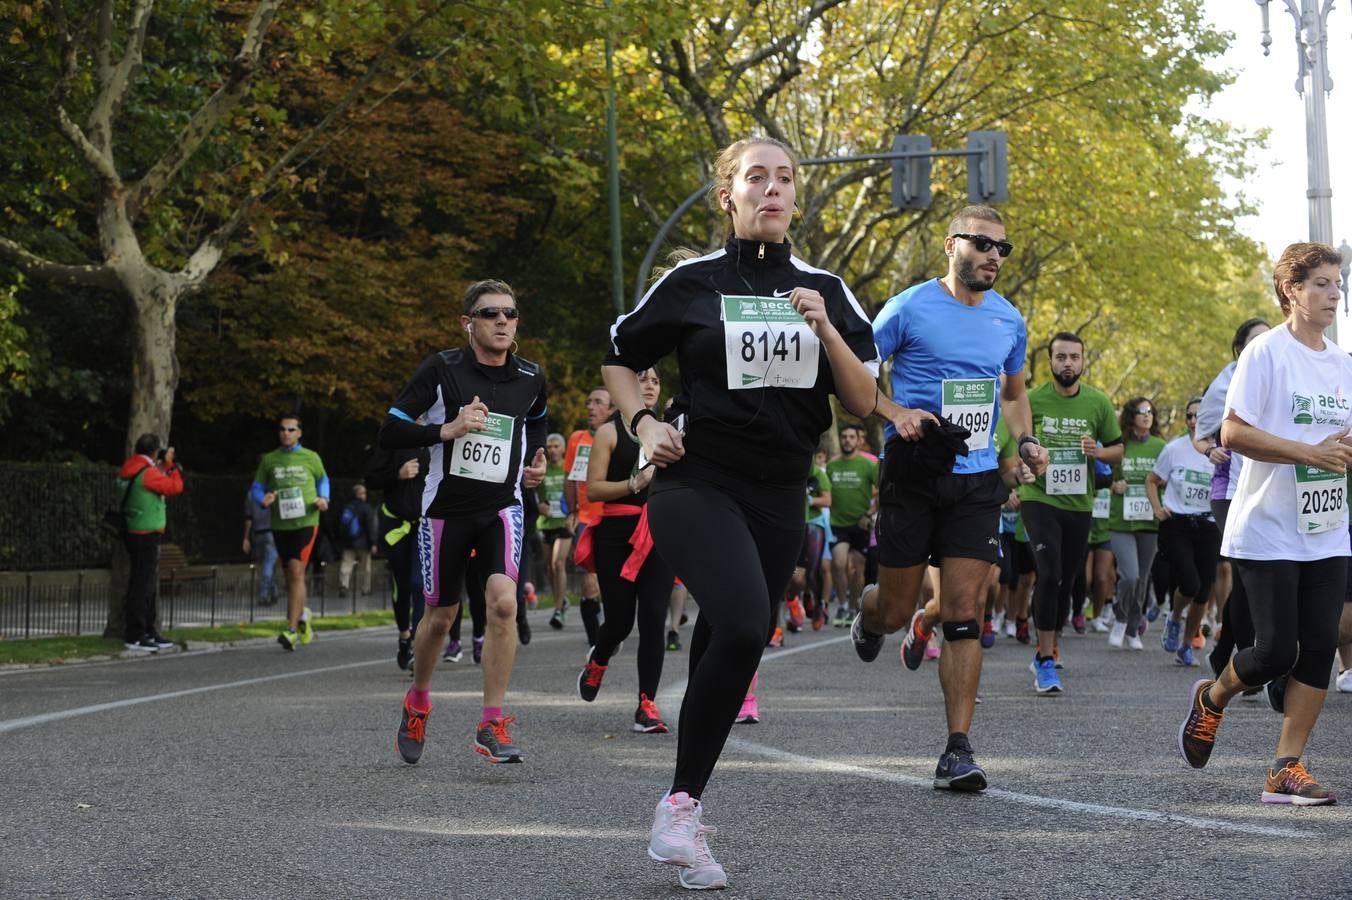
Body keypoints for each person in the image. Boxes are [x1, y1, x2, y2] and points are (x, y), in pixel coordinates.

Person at [604, 136, 880, 891]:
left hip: (781, 491)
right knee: (749, 621)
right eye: (756, 177)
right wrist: (642, 424)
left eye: (785, 179)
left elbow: (861, 401)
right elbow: (621, 356)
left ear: (796, 199)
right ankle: (680, 812)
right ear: (728, 195)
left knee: (731, 637)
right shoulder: (692, 282)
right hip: (696, 481)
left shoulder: (827, 287)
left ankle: (682, 814)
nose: (772, 190)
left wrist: (825, 329)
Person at [850, 204, 1047, 792]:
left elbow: (1013, 394)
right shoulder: (908, 307)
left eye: (1001, 249)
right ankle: (870, 615)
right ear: (950, 245)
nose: (993, 256)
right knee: (895, 607)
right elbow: (856, 373)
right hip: (912, 474)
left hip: (977, 478)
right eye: (982, 244)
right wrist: (894, 411)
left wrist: (1027, 439)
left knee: (964, 611)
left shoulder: (1009, 320)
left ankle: (957, 750)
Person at [1178, 241, 1352, 805]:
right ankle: (1213, 697)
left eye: (1337, 282)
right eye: (1322, 283)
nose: (1335, 292)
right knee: (1275, 651)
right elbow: (1232, 432)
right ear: (1291, 291)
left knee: (1321, 644)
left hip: (1327, 528)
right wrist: (1308, 452)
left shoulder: (1344, 364)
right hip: (1268, 525)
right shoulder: (1266, 354)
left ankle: (1286, 766)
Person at [382, 278, 548, 766]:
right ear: (468, 323)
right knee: (440, 618)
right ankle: (418, 701)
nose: (502, 321)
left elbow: (536, 419)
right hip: (445, 511)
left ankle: (491, 721)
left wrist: (534, 460)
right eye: (490, 313)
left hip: (502, 506)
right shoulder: (441, 369)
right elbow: (389, 429)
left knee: (502, 607)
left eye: (510, 313)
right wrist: (445, 430)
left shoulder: (531, 377)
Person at [1013, 333, 1122, 690]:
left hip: (1079, 502)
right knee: (1049, 573)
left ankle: (1050, 637)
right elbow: (1018, 442)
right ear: (1050, 362)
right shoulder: (1032, 399)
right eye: (1061, 357)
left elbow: (1118, 450)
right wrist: (1024, 462)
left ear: (1083, 360)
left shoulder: (1098, 402)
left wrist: (1098, 453)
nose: (1068, 363)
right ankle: (1045, 659)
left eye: (1074, 357)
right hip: (1039, 499)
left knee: (1065, 580)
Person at [577, 368, 676, 734]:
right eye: (642, 379)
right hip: (616, 534)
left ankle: (646, 704)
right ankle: (598, 659)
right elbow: (594, 491)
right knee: (619, 620)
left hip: (658, 532)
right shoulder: (609, 432)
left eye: (655, 381)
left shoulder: (670, 432)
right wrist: (635, 482)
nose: (649, 386)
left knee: (654, 618)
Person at [1193, 317, 1271, 676]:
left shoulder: (1280, 377)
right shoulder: (1224, 384)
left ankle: (1225, 651)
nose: (1263, 346)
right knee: (1244, 570)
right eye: (1255, 341)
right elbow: (1201, 435)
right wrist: (1210, 451)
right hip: (1228, 492)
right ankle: (1246, 658)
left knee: (1249, 576)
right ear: (1240, 349)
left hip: (1268, 490)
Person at [1148, 398, 1219, 667]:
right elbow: (1152, 480)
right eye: (1189, 416)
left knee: (1203, 592)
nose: (1192, 421)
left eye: (1199, 417)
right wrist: (1157, 508)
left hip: (1208, 525)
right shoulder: (1173, 449)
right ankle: (1174, 618)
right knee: (1190, 583)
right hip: (1177, 524)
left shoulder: (1221, 451)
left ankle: (1187, 646)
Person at [252, 414, 329, 650]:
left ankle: (291, 629)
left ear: (299, 433)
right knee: (290, 577)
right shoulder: (270, 460)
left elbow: (323, 479)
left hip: (306, 522)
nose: (286, 433)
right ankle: (303, 615)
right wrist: (263, 499)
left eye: (291, 429)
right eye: (283, 429)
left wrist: (324, 498)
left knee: (296, 572)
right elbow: (256, 487)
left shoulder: (310, 457)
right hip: (280, 524)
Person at [1104, 397, 1166, 652]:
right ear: (1131, 416)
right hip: (1121, 521)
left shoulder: (1162, 446)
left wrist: (1163, 483)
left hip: (1150, 521)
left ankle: (1132, 628)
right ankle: (1120, 618)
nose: (1146, 415)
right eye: (1141, 411)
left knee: (1142, 580)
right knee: (1130, 576)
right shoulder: (1121, 446)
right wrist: (1112, 485)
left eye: (1150, 411)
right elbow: (1101, 475)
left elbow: (1175, 476)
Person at [118, 433, 184, 652]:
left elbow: (153, 482)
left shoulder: (132, 467)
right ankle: (136, 634)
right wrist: (171, 464)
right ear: (155, 451)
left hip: (134, 530)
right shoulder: (147, 472)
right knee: (142, 584)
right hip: (146, 533)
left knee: (144, 582)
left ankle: (147, 630)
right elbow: (174, 487)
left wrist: (161, 466)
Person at [365, 446, 426, 670]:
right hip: (396, 525)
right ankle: (404, 635)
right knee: (402, 586)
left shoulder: (440, 433)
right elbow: (371, 478)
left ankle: (416, 645)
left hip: (425, 525)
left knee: (419, 584)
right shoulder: (392, 438)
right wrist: (397, 475)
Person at [561, 388, 614, 640]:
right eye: (588, 402)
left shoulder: (619, 436)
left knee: (609, 581)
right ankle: (596, 642)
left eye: (598, 402)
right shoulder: (576, 438)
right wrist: (572, 510)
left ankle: (612, 626)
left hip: (612, 515)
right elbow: (570, 477)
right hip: (585, 518)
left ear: (612, 409)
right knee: (588, 581)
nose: (590, 407)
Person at [826, 423, 879, 626]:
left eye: (851, 437)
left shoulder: (868, 465)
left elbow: (882, 491)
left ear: (858, 440)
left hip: (861, 524)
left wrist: (869, 514)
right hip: (838, 523)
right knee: (838, 564)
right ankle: (841, 605)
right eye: (844, 437)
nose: (847, 440)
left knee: (857, 570)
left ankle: (852, 607)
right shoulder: (832, 465)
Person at [536, 433, 572, 625]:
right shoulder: (543, 468)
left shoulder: (569, 468)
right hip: (546, 522)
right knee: (549, 568)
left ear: (563, 448)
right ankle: (562, 598)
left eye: (556, 446)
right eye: (549, 446)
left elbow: (578, 491)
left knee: (559, 564)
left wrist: (574, 514)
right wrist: (539, 505)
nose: (552, 450)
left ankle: (558, 610)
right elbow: (535, 494)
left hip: (564, 523)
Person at [338, 484, 378, 598]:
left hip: (348, 543)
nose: (365, 495)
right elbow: (371, 527)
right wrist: (373, 543)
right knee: (365, 567)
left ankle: (344, 586)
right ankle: (365, 589)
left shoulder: (347, 507)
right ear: (360, 494)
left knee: (346, 565)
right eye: (364, 493)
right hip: (363, 543)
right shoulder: (366, 508)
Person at [243, 485, 278, 606]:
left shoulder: (251, 494)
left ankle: (274, 591)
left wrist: (246, 538)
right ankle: (264, 594)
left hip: (257, 533)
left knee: (268, 563)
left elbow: (248, 518)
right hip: (271, 532)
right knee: (268, 565)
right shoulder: (273, 493)